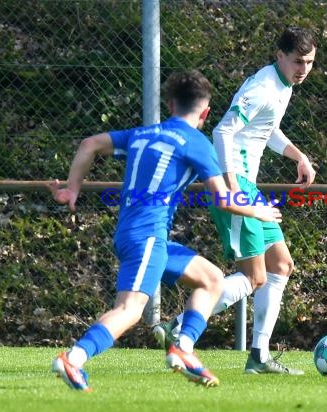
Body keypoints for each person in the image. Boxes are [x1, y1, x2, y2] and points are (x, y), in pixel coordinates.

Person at [50, 70, 282, 391]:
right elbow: (222, 198)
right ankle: (73, 359)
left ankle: (183, 349)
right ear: (205, 113)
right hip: (147, 237)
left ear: (170, 105)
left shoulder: (143, 134)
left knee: (211, 279)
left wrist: (72, 188)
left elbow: (90, 144)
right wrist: (256, 209)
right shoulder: (197, 143)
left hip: (139, 235)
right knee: (129, 310)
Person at [153, 26, 317, 375]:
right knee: (255, 276)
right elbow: (222, 129)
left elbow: (266, 130)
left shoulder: (282, 85)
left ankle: (259, 355)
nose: (303, 68)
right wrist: (230, 183)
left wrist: (298, 156)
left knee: (282, 266)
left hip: (248, 185)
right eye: (298, 61)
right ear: (280, 57)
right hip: (238, 183)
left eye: (309, 62)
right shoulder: (262, 87)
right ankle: (180, 325)